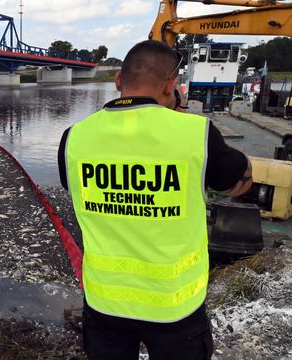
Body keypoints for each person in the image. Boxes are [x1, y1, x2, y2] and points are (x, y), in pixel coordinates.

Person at [57, 40, 253, 360]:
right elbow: (238, 185)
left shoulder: (74, 138)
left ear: (119, 81)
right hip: (174, 308)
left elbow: (76, 189)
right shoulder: (196, 134)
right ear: (172, 84)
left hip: (105, 304)